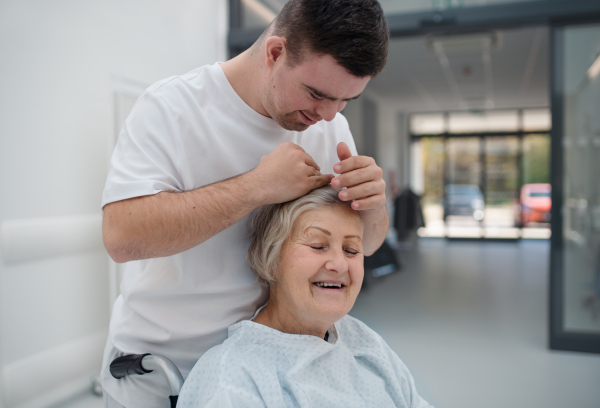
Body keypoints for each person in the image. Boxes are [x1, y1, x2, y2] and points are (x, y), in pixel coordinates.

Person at [100, 1, 390, 406]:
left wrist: (373, 206)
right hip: (164, 373)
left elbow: (366, 242)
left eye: (345, 101)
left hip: (268, 370)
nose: (327, 116)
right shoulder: (173, 107)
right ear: (275, 53)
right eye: (317, 94)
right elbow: (122, 237)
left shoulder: (330, 126)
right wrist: (255, 186)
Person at [177, 186, 433, 407]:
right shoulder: (234, 379)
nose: (340, 265)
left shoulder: (364, 342)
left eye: (351, 250)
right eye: (317, 246)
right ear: (271, 258)